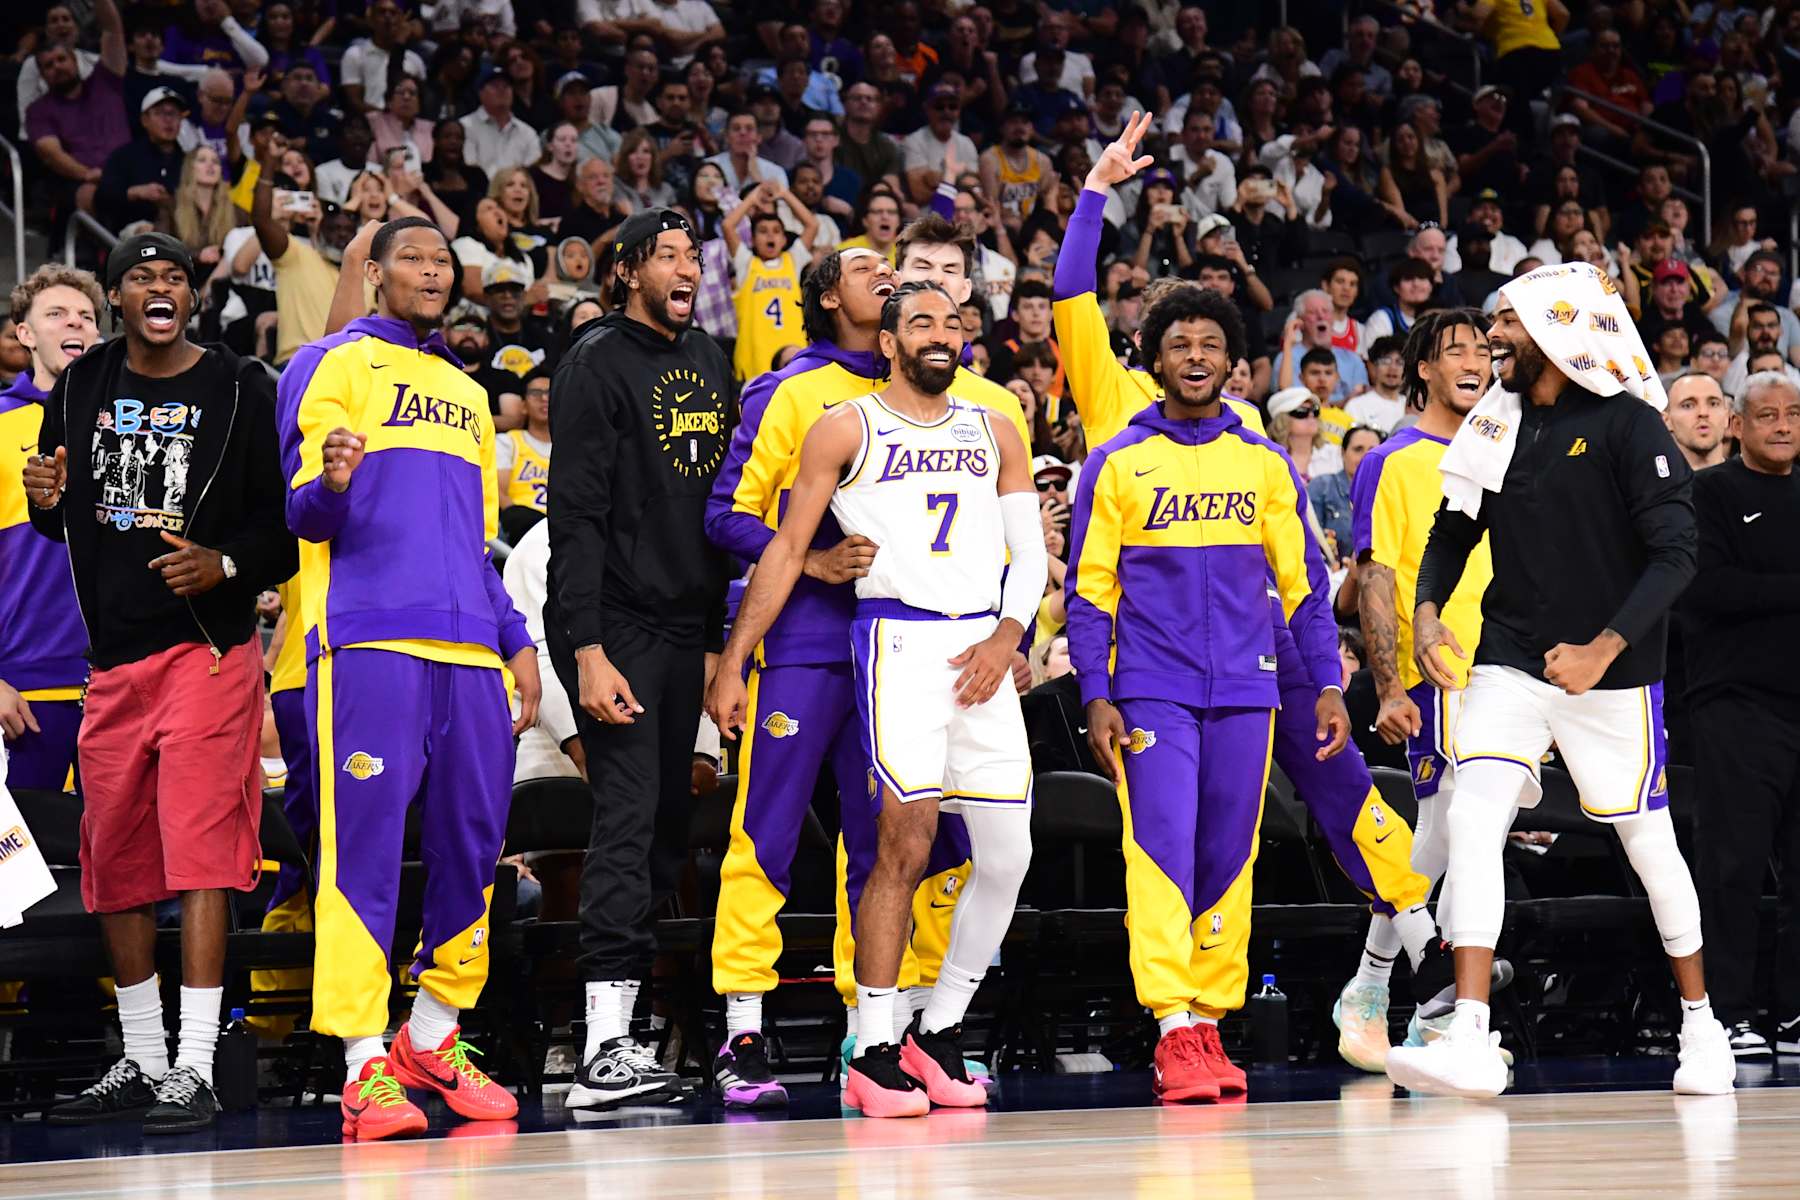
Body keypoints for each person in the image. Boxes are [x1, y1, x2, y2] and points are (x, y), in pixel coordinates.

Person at [1388, 261, 1735, 1099]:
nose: (1494, 338)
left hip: (1610, 675)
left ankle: (1703, 1029)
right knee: (1474, 816)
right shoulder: (1496, 419)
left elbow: (1677, 555)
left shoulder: (1629, 426)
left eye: (1508, 324)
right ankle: (1469, 1032)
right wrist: (1430, 612)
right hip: (1510, 656)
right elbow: (1451, 529)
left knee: (1646, 841)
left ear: (1555, 332)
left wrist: (1603, 648)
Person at [707, 281, 1044, 1117]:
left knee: (1007, 854)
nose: (941, 334)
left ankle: (941, 1026)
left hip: (984, 650)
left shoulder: (994, 425)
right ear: (888, 341)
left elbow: (1029, 554)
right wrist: (734, 660)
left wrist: (1010, 636)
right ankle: (879, 1046)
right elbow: (786, 550)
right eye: (921, 322)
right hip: (899, 641)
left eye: (953, 323)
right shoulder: (844, 425)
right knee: (902, 843)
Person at [275, 215, 539, 1140]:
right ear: (374, 271)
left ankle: (431, 1033)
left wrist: (516, 638)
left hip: (472, 650)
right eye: (412, 258)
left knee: (475, 846)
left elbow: (475, 543)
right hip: (368, 641)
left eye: (442, 259)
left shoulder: (468, 393)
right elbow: (302, 513)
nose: (431, 270)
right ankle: (359, 1062)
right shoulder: (328, 366)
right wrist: (335, 483)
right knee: (365, 854)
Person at [27, 233, 295, 1134]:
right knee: (118, 862)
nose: (159, 287)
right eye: (141, 276)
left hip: (208, 656)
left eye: (174, 276)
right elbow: (60, 523)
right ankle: (141, 1060)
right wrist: (38, 498)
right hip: (111, 665)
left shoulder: (239, 386)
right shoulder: (81, 388)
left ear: (191, 296)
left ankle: (197, 1063)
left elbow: (282, 531)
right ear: (115, 296)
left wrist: (222, 563)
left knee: (202, 854)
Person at [1065, 278, 1346, 1103]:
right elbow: (1089, 593)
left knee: (1230, 854)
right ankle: (1172, 1025)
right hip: (1151, 688)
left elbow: (1302, 585)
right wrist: (1096, 692)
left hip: (1249, 691)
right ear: (1153, 360)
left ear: (1235, 363)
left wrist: (1326, 683)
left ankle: (1212, 1022)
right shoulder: (1116, 460)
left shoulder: (1263, 462)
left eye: (1210, 344)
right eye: (1180, 344)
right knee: (1159, 849)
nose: (1196, 357)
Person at [705, 247, 916, 1108]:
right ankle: (743, 1030)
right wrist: (817, 562)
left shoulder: (927, 393)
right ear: (828, 295)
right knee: (768, 832)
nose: (889, 274)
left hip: (899, 650)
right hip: (803, 644)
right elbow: (727, 515)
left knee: (884, 847)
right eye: (867, 266)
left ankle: (874, 1033)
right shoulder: (789, 389)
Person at [546, 208, 736, 1108]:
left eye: (693, 256)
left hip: (680, 628)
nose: (685, 269)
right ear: (624, 272)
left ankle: (631, 1035)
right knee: (624, 819)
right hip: (612, 623)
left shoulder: (710, 359)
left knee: (666, 825)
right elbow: (575, 517)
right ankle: (600, 1050)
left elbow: (712, 515)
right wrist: (584, 647)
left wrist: (712, 646)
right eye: (666, 255)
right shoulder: (595, 361)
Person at [1339, 309, 1498, 1070]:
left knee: (1453, 834)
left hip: (1505, 669)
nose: (1474, 359)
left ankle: (1374, 985)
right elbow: (1375, 575)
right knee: (1451, 830)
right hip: (1436, 671)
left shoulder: (1503, 449)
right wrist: (1389, 682)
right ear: (1423, 369)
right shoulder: (1393, 460)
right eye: (1454, 350)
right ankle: (1435, 1008)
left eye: (1483, 349)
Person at [1682, 371, 1800, 1057]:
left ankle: (1791, 1013)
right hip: (1737, 706)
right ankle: (1728, 1013)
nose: (1782, 426)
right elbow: (1710, 590)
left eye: (1792, 414)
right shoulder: (1708, 493)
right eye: (1767, 416)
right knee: (1733, 866)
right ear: (1737, 426)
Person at [0, 267, 103, 794]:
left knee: (110, 869)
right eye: (57, 314)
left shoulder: (127, 426)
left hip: (116, 688)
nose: (76, 324)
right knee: (18, 873)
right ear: (24, 333)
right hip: (24, 691)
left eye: (87, 316)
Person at [26, 0, 129, 217]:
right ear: (43, 75)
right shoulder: (38, 110)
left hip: (132, 171)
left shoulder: (106, 80)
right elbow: (51, 153)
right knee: (93, 195)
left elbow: (112, 29)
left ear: (75, 61)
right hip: (86, 181)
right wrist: (87, 174)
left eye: (62, 59)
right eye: (48, 65)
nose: (57, 67)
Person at [724, 183, 816, 380]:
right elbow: (728, 226)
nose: (770, 235)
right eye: (763, 231)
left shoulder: (792, 261)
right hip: (755, 353)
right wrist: (752, 198)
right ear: (753, 239)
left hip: (792, 350)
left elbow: (812, 225)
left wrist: (784, 194)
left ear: (784, 239)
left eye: (776, 231)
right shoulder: (746, 264)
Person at [497, 368, 552, 540]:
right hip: (520, 531)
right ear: (523, 406)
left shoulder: (574, 448)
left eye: (551, 392)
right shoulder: (508, 442)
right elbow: (498, 492)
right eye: (536, 393)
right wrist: (521, 519)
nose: (544, 398)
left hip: (562, 529)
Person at [461, 66, 542, 175]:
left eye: (506, 86)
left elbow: (533, 171)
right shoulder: (465, 126)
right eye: (494, 86)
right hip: (479, 190)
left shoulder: (527, 133)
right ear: (480, 93)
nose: (502, 90)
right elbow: (469, 167)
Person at [1664, 372, 1731, 470]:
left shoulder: (1748, 482)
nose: (1703, 413)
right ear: (1666, 420)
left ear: (1726, 417)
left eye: (1713, 404)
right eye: (1688, 405)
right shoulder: (1650, 483)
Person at [1348, 336, 1408, 434]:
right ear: (1373, 367)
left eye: (1399, 362)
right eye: (1386, 361)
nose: (1392, 368)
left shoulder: (1410, 407)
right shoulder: (1356, 406)